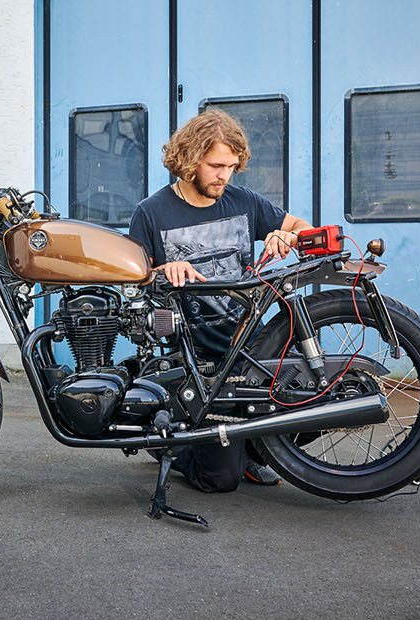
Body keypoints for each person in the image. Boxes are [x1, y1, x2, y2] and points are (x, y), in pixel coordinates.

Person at [125, 110, 314, 492]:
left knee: (315, 398)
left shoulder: (244, 201)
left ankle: (250, 448)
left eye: (230, 166)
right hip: (196, 361)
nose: (224, 176)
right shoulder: (150, 212)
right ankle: (175, 448)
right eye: (215, 166)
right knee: (220, 480)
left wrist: (288, 237)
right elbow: (135, 285)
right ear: (189, 160)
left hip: (251, 345)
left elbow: (302, 226)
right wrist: (164, 270)